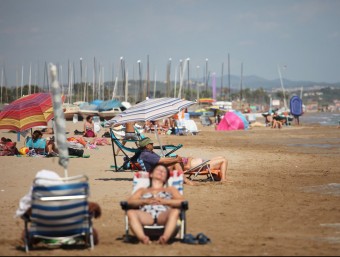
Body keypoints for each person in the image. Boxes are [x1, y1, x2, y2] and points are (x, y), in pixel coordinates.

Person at [15, 170, 102, 245]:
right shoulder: (74, 202)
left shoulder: (36, 207)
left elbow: (25, 215)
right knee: (91, 231)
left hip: (44, 232)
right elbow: (96, 211)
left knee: (27, 232)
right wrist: (96, 208)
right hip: (73, 230)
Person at [126, 164, 185, 244]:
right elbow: (129, 202)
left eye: (164, 171)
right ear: (151, 174)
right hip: (146, 215)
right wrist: (144, 201)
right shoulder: (142, 190)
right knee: (130, 212)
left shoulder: (170, 189)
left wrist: (165, 201)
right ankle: (143, 238)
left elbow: (182, 202)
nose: (161, 172)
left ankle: (164, 238)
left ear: (166, 178)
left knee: (175, 211)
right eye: (158, 170)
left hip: (164, 215)